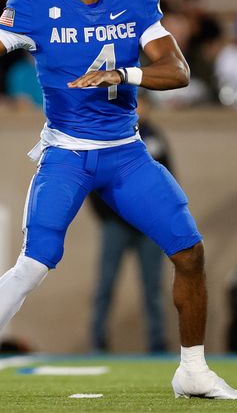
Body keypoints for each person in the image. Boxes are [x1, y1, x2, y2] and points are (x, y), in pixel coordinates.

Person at [0, 0, 237, 401]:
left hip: (125, 153)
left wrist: (125, 75)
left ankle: (192, 369)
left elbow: (179, 69)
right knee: (35, 264)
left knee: (189, 252)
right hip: (67, 155)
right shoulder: (35, 1)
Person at [89, 93, 168, 353]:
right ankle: (98, 342)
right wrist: (108, 216)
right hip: (117, 224)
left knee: (153, 289)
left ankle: (157, 343)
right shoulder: (108, 134)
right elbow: (94, 179)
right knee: (105, 286)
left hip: (148, 226)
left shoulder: (154, 137)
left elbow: (167, 178)